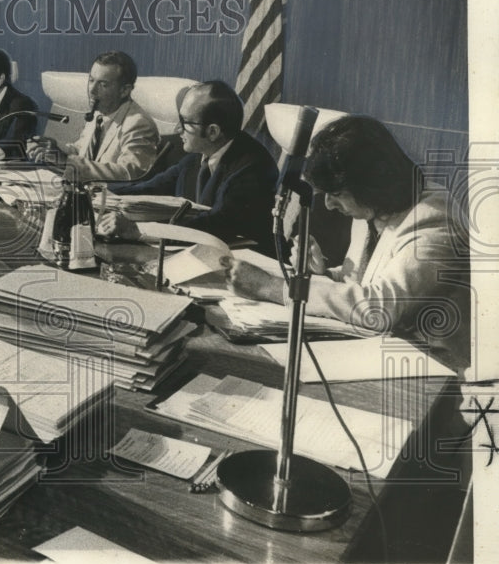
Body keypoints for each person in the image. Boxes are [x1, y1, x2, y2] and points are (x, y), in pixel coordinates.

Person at [227, 114, 471, 369]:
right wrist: (324, 274)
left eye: (336, 194)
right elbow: (364, 283)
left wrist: (273, 288)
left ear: (372, 184)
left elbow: (379, 308)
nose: (329, 205)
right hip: (384, 351)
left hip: (440, 368)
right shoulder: (376, 207)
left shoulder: (435, 223)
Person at [96, 80, 279, 255]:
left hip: (249, 264)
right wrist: (98, 192)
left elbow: (216, 223)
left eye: (185, 122)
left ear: (213, 132)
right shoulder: (195, 156)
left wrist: (137, 230)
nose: (177, 129)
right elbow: (151, 187)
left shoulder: (253, 166)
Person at [25, 51, 158, 182]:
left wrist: (66, 161)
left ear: (124, 90)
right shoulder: (99, 113)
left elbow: (129, 174)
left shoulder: (138, 123)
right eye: (91, 80)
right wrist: (53, 147)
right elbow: (81, 152)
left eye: (103, 84)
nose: (92, 90)